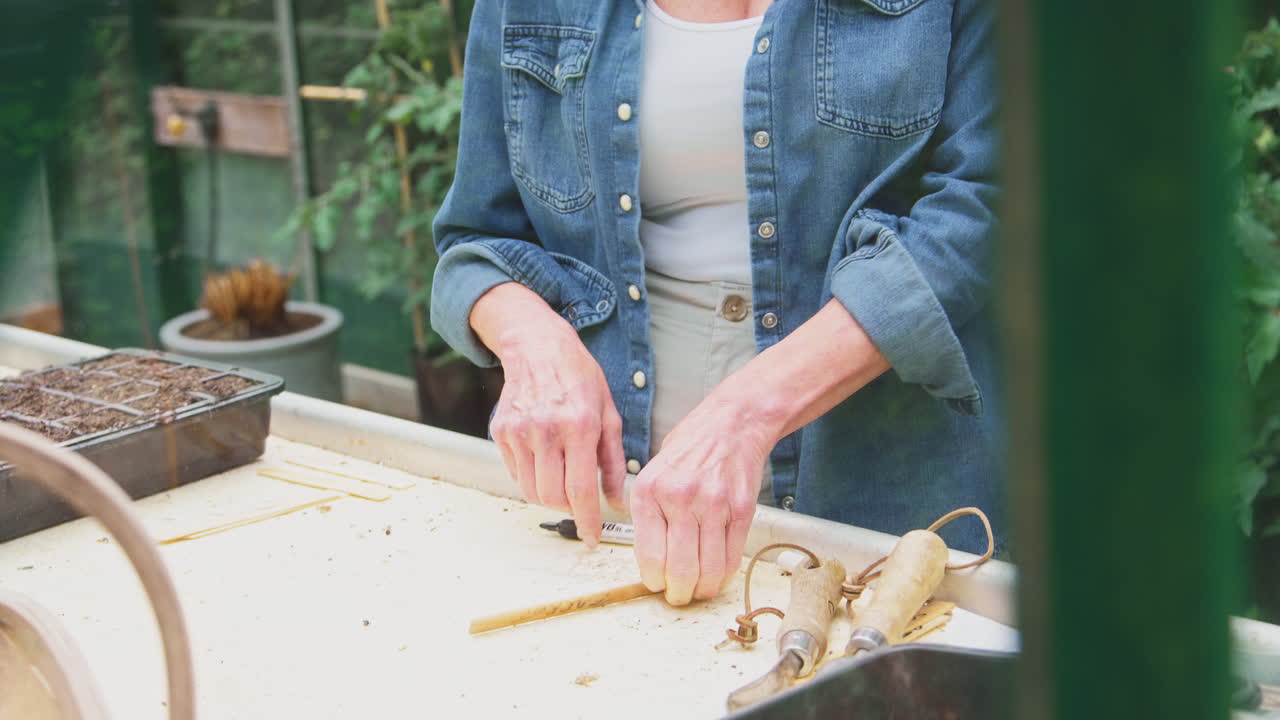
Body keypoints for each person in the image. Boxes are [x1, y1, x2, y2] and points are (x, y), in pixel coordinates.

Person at [431, 0, 1003, 606]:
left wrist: (746, 414)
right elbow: (477, 236)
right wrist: (531, 340)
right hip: (616, 512)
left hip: (887, 501)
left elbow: (993, 205)